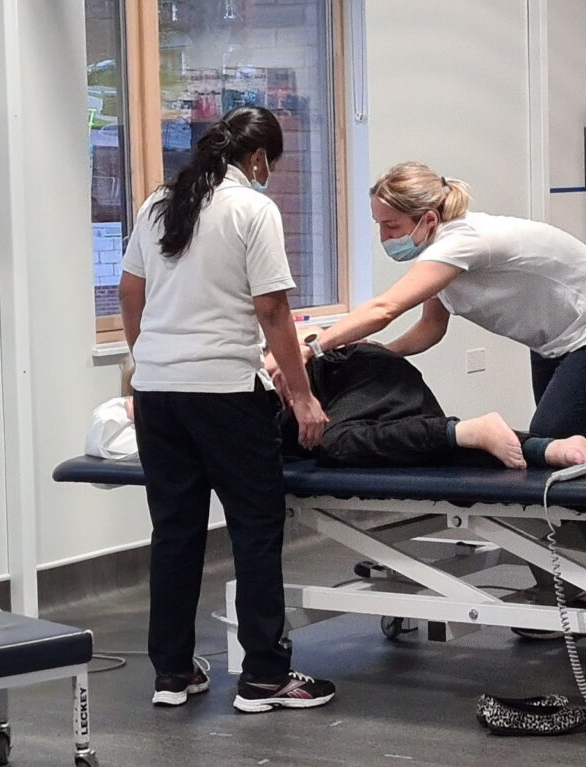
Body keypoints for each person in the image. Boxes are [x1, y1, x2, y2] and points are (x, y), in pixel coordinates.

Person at [118, 106, 335, 714]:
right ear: (258, 158)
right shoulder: (252, 209)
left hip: (159, 394)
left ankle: (172, 674)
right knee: (255, 530)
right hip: (226, 394)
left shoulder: (158, 203)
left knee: (175, 533)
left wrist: (154, 362)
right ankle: (265, 678)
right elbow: (272, 313)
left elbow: (130, 292)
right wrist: (302, 396)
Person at [310, 161, 586, 444]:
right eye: (379, 226)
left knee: (550, 432)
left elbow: (385, 308)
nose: (384, 238)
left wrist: (313, 347)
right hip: (552, 338)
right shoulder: (435, 253)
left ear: (428, 219)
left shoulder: (462, 242)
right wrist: (386, 351)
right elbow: (431, 327)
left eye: (391, 226)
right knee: (557, 435)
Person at [267, 335, 586, 470]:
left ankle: (466, 431)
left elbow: (303, 336)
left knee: (334, 442)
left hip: (357, 374)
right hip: (371, 392)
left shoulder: (250, 368)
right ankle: (549, 449)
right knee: (436, 449)